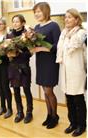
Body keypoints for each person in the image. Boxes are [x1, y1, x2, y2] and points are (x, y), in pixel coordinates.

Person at [56, 8, 87, 137]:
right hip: (65, 70)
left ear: (77, 19)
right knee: (69, 98)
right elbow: (61, 49)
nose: (66, 19)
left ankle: (82, 125)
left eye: (69, 17)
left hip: (77, 70)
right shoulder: (64, 33)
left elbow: (75, 47)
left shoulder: (81, 33)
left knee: (78, 98)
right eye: (65, 17)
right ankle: (73, 123)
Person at [32, 2, 61, 128]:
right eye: (35, 12)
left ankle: (55, 116)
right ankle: (49, 114)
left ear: (46, 11)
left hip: (50, 62)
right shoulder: (37, 27)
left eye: (39, 11)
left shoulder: (54, 26)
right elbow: (35, 44)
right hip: (41, 61)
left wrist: (42, 48)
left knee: (49, 90)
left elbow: (57, 46)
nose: (37, 14)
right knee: (44, 90)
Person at [7, 14, 33, 124]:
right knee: (16, 91)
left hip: (24, 66)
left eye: (17, 22)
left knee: (27, 90)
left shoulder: (28, 35)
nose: (15, 24)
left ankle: (29, 112)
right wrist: (8, 53)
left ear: (23, 23)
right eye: (14, 22)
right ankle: (19, 112)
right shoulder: (9, 35)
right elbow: (6, 50)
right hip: (13, 67)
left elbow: (31, 53)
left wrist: (19, 53)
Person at [0, 17, 13, 118]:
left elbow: (10, 51)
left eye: (1, 24)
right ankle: (3, 107)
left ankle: (9, 108)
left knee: (5, 87)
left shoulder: (8, 36)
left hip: (5, 64)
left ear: (4, 25)